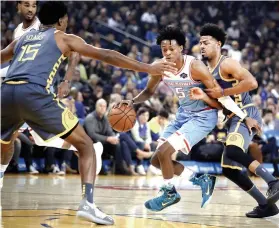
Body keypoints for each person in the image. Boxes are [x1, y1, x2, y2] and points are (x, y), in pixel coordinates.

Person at [0, 1, 177, 225]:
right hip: (34, 93)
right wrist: (147, 67)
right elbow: (107, 55)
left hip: (5, 93)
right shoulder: (63, 37)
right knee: (87, 146)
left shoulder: (22, 39)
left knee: (5, 141)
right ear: (62, 20)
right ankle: (88, 204)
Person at [196, 23, 279, 218]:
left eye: (205, 42)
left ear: (218, 44)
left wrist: (224, 93)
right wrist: (204, 98)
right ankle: (266, 205)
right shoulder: (206, 72)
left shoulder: (227, 63)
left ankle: (273, 181)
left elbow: (252, 83)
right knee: (229, 170)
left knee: (233, 150)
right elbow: (220, 101)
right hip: (233, 117)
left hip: (246, 113)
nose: (201, 46)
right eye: (200, 43)